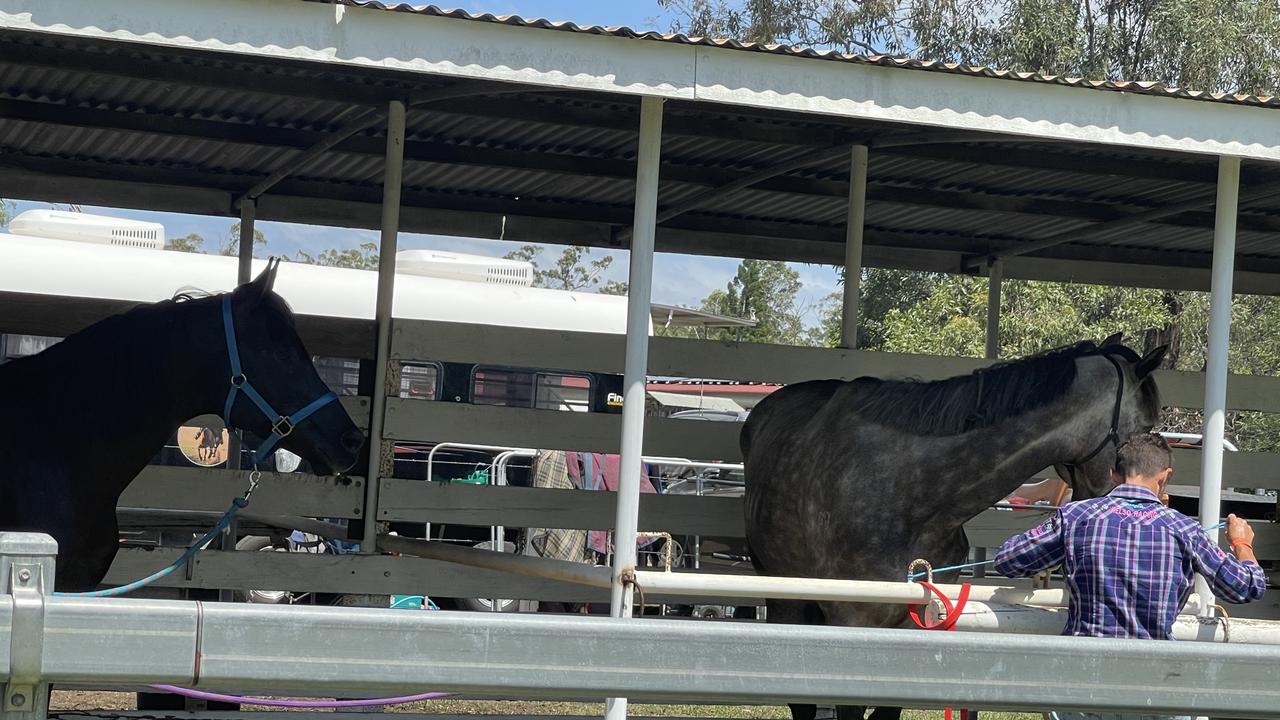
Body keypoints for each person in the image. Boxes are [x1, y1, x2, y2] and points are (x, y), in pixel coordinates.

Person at [993, 432, 1266, 720]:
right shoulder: (1183, 529)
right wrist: (1242, 544)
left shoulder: (1075, 517)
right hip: (1153, 683)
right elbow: (1247, 586)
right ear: (1165, 476)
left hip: (1083, 681)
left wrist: (1060, 548)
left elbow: (1007, 560)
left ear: (1113, 475)